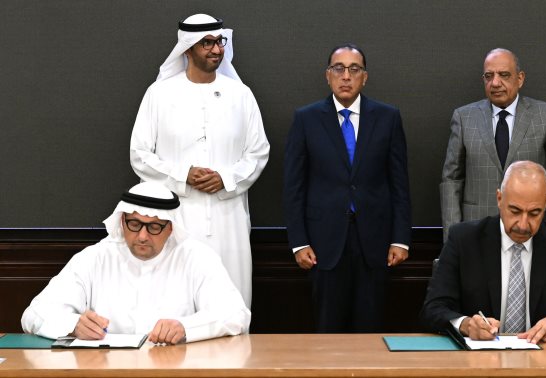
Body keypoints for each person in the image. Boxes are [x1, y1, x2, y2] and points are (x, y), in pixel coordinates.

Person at [130, 13, 270, 308]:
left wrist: (226, 179)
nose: (216, 49)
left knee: (230, 302)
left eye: (219, 42)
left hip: (227, 217)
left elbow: (258, 152)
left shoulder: (240, 95)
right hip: (176, 217)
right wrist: (183, 175)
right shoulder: (159, 94)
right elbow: (139, 155)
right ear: (188, 47)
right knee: (175, 303)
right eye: (207, 43)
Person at [283, 44, 412, 332]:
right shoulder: (306, 119)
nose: (346, 76)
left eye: (354, 69)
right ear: (328, 75)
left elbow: (399, 183)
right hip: (322, 245)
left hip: (375, 244)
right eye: (338, 69)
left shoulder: (388, 117)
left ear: (364, 77)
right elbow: (294, 186)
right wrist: (299, 241)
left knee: (371, 330)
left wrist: (400, 239)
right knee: (327, 331)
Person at [22, 182, 250, 344]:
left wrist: (185, 328)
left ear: (170, 228)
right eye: (134, 224)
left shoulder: (196, 257)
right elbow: (33, 315)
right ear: (122, 221)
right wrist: (73, 325)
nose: (142, 236)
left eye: (153, 227)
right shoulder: (95, 257)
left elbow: (235, 314)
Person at [420, 161, 546, 343]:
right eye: (515, 211)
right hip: (479, 362)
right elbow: (433, 309)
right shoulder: (464, 240)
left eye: (534, 213)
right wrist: (466, 325)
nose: (523, 225)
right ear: (499, 199)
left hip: (544, 360)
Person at [440, 48, 546, 241]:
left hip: (530, 232)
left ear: (520, 78)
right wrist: (453, 238)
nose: (495, 83)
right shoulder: (464, 117)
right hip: (476, 233)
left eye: (504, 75)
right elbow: (451, 180)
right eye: (488, 76)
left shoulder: (545, 116)